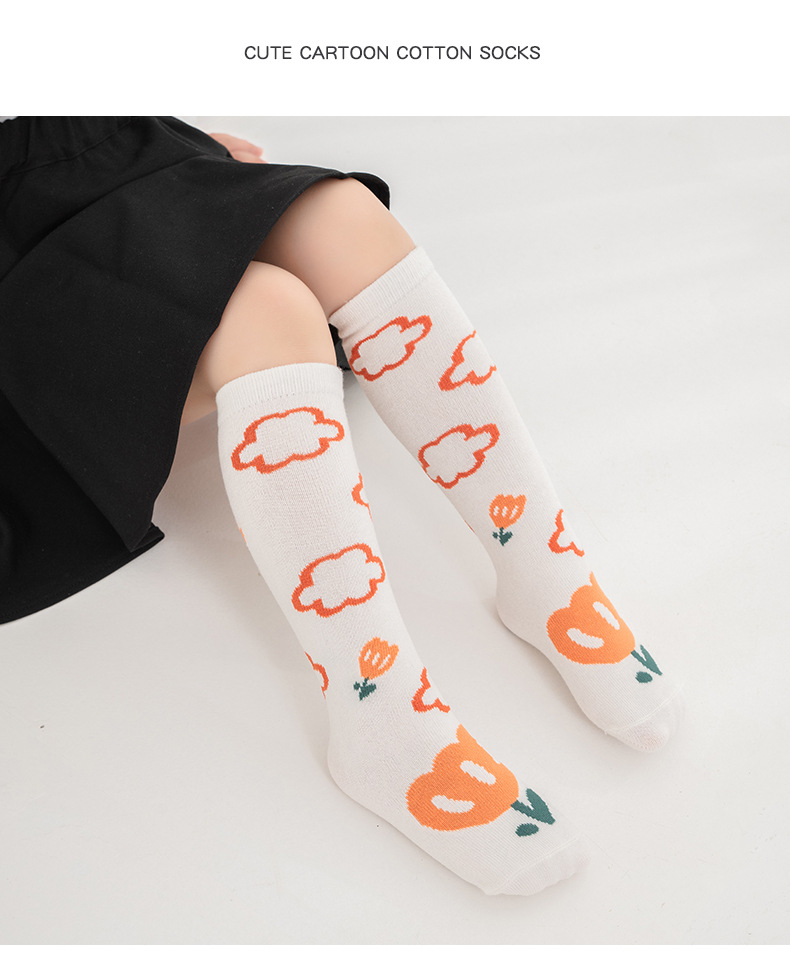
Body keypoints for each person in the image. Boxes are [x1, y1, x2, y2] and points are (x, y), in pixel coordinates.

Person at [0, 117, 683, 896]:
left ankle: (547, 572)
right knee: (267, 313)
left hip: (66, 153)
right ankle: (384, 717)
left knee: (343, 218)